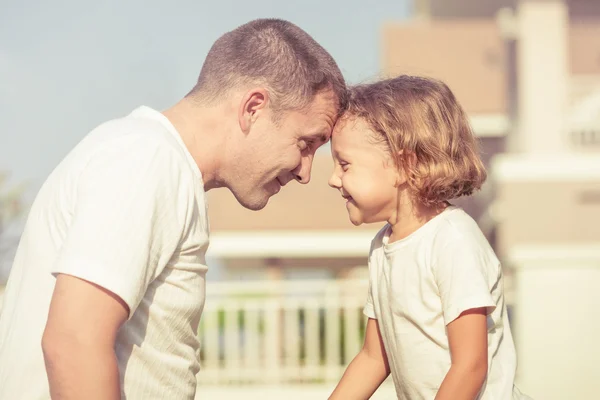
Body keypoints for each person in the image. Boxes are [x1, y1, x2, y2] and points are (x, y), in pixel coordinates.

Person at [0, 18, 347, 400]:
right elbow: (73, 342)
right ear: (253, 107)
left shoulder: (155, 162)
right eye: (305, 143)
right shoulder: (149, 159)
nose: (306, 172)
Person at [327, 75, 529, 399]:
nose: (332, 179)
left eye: (345, 165)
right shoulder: (382, 247)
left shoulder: (453, 240)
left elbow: (470, 365)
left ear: (405, 165)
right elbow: (373, 357)